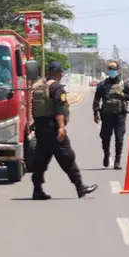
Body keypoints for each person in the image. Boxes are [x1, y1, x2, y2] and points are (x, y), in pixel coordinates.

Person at [30, 61, 97, 200]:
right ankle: (80, 187)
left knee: (40, 161)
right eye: (61, 73)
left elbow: (34, 108)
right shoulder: (56, 88)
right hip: (53, 129)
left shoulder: (38, 87)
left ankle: (37, 190)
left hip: (40, 129)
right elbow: (59, 108)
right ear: (58, 73)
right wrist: (61, 127)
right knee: (67, 157)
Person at [92, 60, 129, 169]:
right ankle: (106, 154)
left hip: (120, 115)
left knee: (119, 138)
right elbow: (97, 99)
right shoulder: (103, 84)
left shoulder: (124, 84)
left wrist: (122, 95)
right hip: (106, 115)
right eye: (110, 70)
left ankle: (117, 161)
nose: (111, 72)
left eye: (114, 70)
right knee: (105, 137)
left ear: (118, 71)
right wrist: (95, 113)